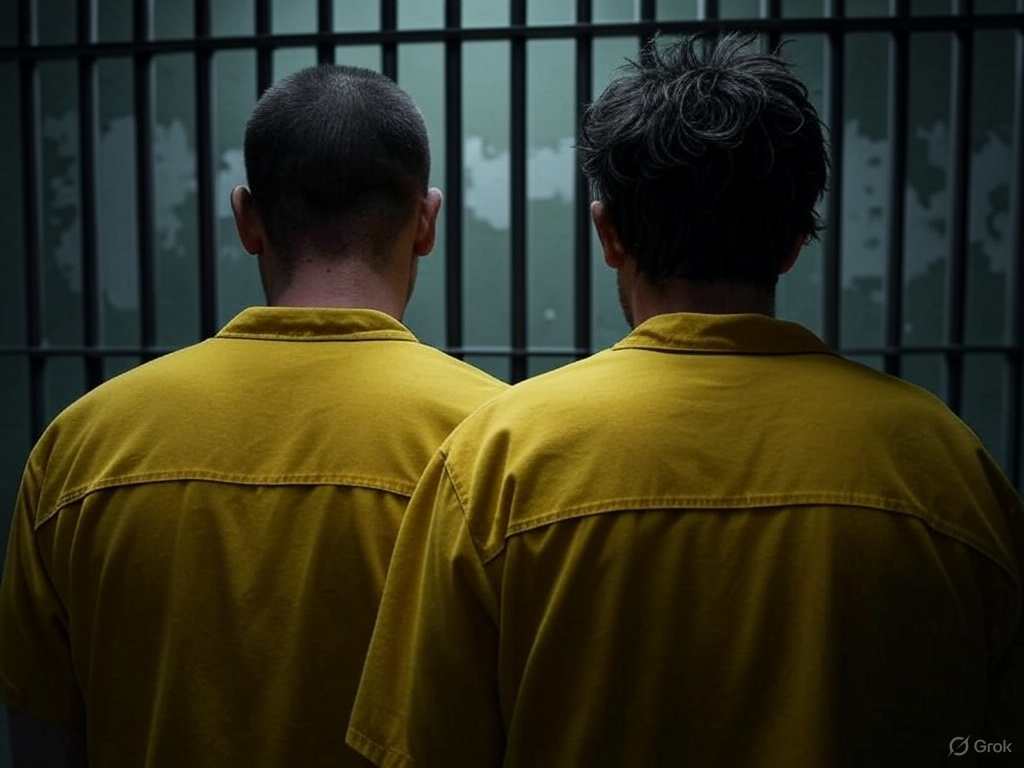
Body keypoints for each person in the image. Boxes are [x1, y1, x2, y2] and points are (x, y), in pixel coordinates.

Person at [346, 35, 1023, 767]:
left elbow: (427, 746)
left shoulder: (499, 460)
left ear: (608, 233)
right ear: (797, 238)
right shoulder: (943, 465)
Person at [0, 65, 505, 767]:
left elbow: (39, 733)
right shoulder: (499, 442)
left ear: (246, 218)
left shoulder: (83, 444)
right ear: (426, 222)